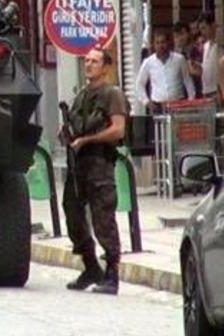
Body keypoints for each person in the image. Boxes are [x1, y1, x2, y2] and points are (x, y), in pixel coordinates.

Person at [62, 47, 127, 296]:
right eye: (86, 61)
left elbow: (118, 130)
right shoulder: (81, 95)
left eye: (94, 61)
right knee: (73, 214)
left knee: (103, 219)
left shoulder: (112, 94)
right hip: (78, 165)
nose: (88, 65)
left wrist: (87, 141)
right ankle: (90, 266)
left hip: (99, 163)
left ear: (106, 67)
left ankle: (112, 273)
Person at [135, 31, 196, 113]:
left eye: (163, 42)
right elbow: (139, 84)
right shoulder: (148, 62)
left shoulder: (179, 59)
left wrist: (191, 101)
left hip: (178, 104)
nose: (160, 46)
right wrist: (146, 102)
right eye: (157, 43)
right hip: (158, 106)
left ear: (168, 43)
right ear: (154, 45)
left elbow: (188, 81)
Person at [174, 22, 203, 97]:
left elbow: (198, 72)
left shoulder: (195, 51)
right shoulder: (177, 55)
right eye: (176, 36)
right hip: (181, 94)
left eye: (182, 34)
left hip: (197, 92)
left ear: (189, 33)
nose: (180, 38)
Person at [198, 12, 219, 98]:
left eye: (204, 28)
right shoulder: (205, 46)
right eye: (201, 29)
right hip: (206, 90)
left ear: (213, 26)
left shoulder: (220, 46)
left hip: (217, 91)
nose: (202, 32)